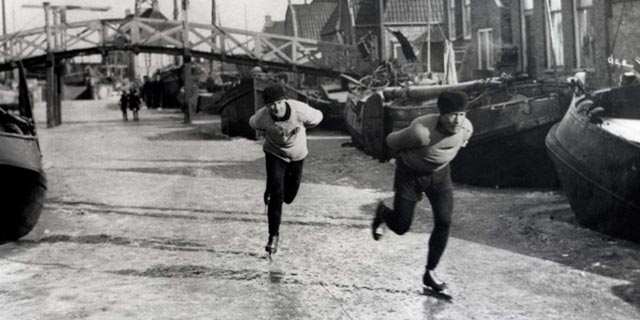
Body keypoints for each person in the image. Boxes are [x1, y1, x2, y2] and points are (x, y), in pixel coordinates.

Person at [371, 91, 473, 293]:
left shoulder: (467, 128)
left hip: (440, 175)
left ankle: (430, 272)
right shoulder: (420, 131)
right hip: (410, 175)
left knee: (444, 221)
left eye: (461, 114)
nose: (457, 120)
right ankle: (382, 212)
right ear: (441, 114)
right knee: (401, 226)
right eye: (452, 115)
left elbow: (456, 145)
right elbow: (391, 141)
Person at [249, 85, 323, 256]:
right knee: (277, 194)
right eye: (271, 105)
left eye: (279, 103)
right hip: (275, 154)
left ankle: (272, 186)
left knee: (288, 197)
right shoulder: (262, 116)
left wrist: (304, 127)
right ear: (266, 106)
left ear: (285, 101)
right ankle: (273, 236)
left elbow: (318, 116)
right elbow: (252, 123)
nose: (276, 108)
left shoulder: (300, 110)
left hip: (297, 155)